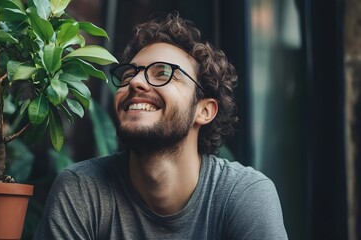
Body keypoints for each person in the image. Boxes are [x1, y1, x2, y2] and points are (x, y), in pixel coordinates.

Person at [34, 12, 288, 240]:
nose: (135, 83)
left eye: (163, 73)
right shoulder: (82, 190)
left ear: (204, 110)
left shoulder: (243, 196)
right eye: (129, 74)